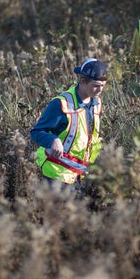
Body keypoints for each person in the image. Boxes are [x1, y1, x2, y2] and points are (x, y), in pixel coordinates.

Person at [30, 58, 107, 191]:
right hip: (55, 174)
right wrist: (52, 140)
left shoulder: (96, 104)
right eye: (96, 86)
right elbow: (36, 132)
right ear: (83, 81)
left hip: (79, 175)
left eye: (102, 86)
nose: (99, 90)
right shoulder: (61, 104)